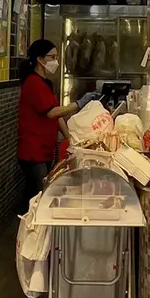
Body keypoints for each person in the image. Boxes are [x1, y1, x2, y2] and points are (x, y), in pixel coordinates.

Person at [18, 39, 99, 206]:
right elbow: (52, 113)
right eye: (52, 57)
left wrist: (71, 139)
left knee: (42, 192)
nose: (56, 61)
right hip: (33, 151)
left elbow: (57, 116)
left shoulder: (45, 83)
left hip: (44, 150)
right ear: (40, 59)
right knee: (39, 196)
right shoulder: (33, 83)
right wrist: (78, 104)